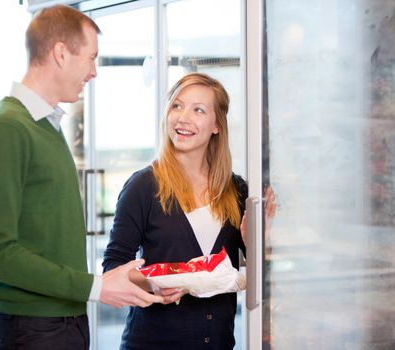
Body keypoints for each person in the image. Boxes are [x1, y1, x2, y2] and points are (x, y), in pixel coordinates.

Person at [0, 5, 162, 350]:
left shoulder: (43, 125)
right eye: (90, 58)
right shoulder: (6, 128)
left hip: (61, 324)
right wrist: (95, 287)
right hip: (33, 331)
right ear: (60, 53)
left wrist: (110, 281)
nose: (94, 71)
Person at [102, 72, 276, 350]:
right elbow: (113, 268)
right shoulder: (143, 187)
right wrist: (155, 283)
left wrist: (256, 240)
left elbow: (248, 277)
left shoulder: (236, 190)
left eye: (198, 110)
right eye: (177, 106)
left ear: (217, 125)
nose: (183, 118)